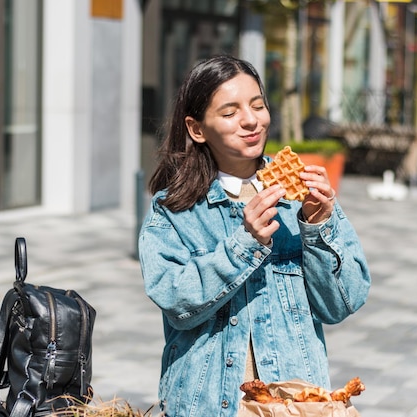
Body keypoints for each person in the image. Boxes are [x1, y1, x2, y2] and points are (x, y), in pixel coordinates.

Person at [138, 55, 371, 417]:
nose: (251, 120)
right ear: (197, 129)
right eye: (229, 112)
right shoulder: (173, 209)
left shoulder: (303, 199)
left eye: (258, 105)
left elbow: (342, 303)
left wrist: (319, 226)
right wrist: (244, 245)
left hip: (293, 405)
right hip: (207, 407)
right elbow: (176, 302)